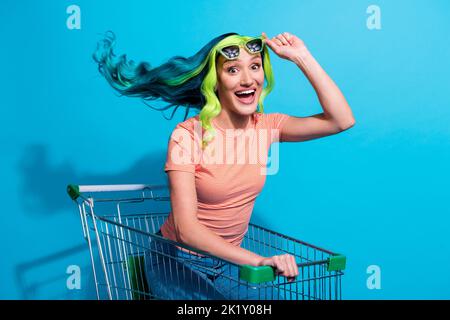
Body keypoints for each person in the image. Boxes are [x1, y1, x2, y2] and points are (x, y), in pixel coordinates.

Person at [93, 31, 355, 298]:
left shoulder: (266, 126)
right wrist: (257, 261)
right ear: (214, 82)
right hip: (177, 260)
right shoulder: (187, 136)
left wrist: (301, 57)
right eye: (232, 70)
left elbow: (340, 120)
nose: (248, 79)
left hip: (229, 261)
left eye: (255, 66)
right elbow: (185, 229)